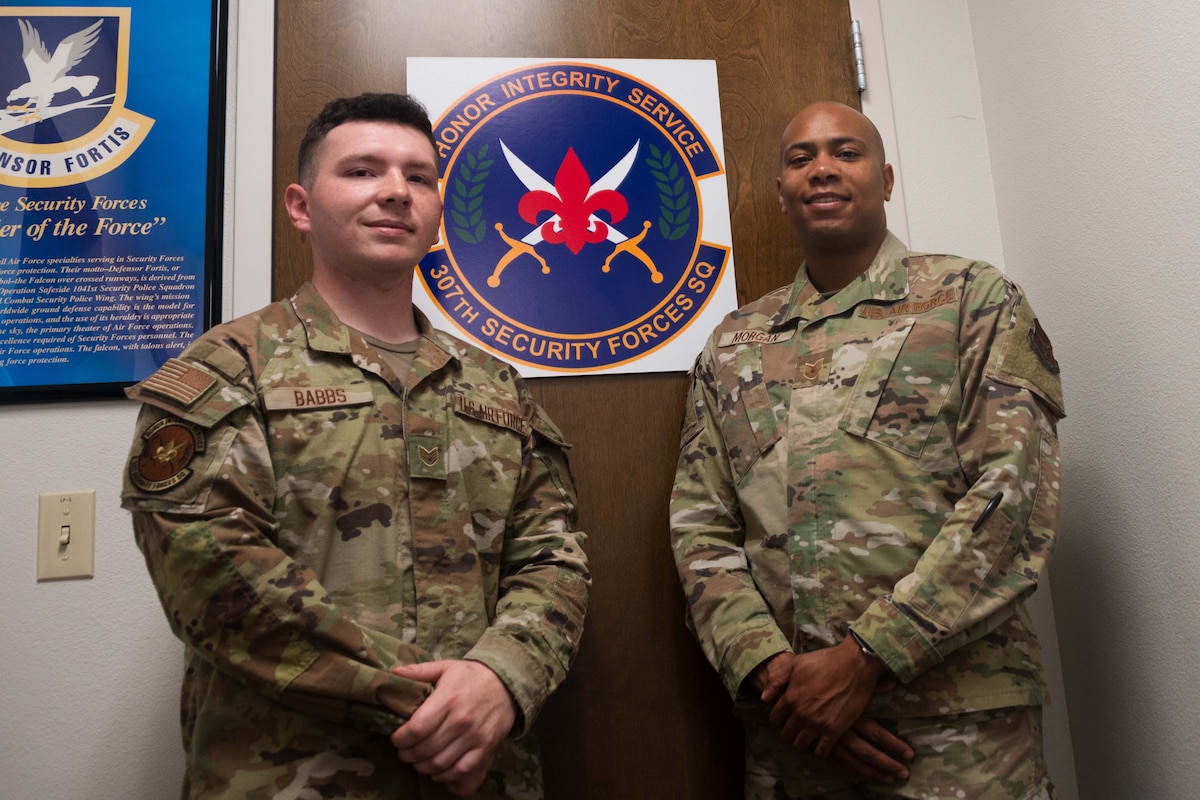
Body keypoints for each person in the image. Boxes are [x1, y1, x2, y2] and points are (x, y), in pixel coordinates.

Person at [121, 93, 590, 799]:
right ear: (302, 206)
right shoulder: (228, 368)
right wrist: (427, 705)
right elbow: (210, 573)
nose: (396, 192)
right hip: (291, 776)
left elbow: (553, 556)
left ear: (437, 211)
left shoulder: (495, 385)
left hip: (484, 775)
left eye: (419, 177)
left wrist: (503, 676)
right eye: (364, 171)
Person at [670, 100, 1065, 799]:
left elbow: (1011, 497)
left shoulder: (973, 300)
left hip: (956, 735)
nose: (822, 169)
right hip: (792, 735)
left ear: (885, 179)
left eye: (845, 152)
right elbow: (702, 528)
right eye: (801, 159)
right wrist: (775, 677)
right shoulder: (733, 346)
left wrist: (865, 659)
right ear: (782, 193)